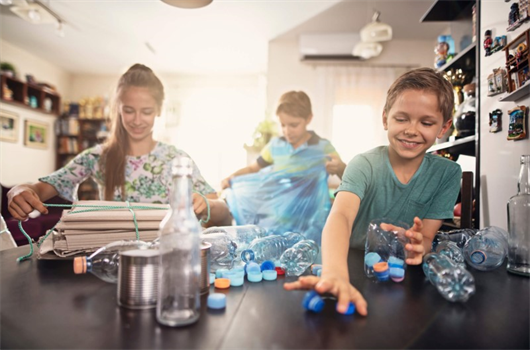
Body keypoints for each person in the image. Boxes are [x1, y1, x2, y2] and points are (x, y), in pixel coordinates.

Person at [284, 68, 462, 317]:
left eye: (426, 122)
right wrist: (334, 273)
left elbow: (426, 239)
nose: (412, 130)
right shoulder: (364, 164)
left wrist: (416, 246)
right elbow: (341, 216)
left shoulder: (449, 174)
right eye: (402, 119)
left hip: (400, 276)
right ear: (385, 118)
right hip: (350, 260)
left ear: (444, 128)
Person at [7, 64, 232, 227]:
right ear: (118, 109)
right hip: (111, 261)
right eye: (129, 110)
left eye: (146, 112)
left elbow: (222, 212)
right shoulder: (97, 156)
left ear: (159, 111)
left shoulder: (177, 159)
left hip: (167, 257)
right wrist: (20, 190)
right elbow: (41, 189)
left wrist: (207, 204)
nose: (136, 120)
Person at [221, 90, 346, 189]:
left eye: (293, 125)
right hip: (279, 218)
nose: (287, 131)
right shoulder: (275, 146)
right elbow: (252, 169)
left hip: (314, 219)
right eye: (283, 125)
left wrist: (340, 168)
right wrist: (231, 177)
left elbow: (349, 178)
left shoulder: (323, 147)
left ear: (309, 118)